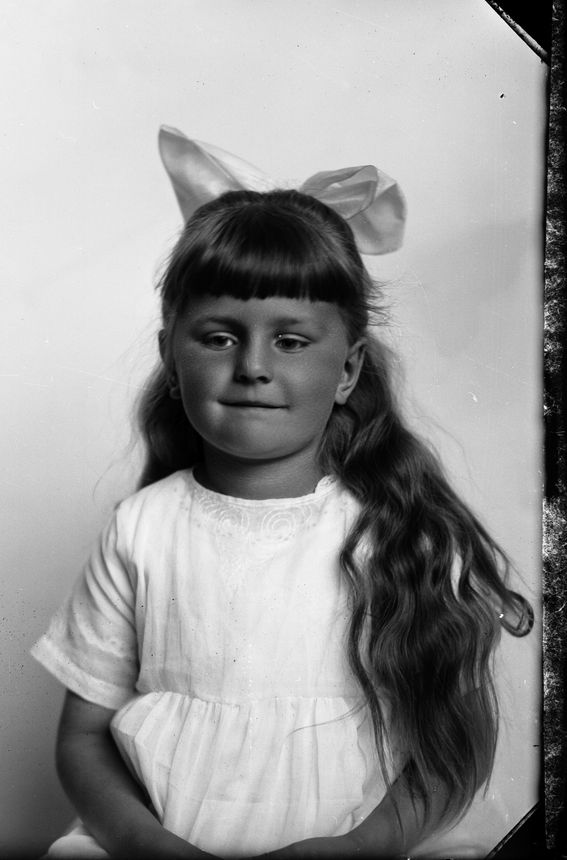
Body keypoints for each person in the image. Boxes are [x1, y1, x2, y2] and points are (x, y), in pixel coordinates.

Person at [31, 127, 534, 859]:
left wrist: (358, 849)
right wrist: (146, 845)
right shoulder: (141, 528)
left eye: (291, 341)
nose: (253, 367)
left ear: (348, 370)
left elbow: (456, 743)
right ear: (172, 356)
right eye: (219, 337)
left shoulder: (401, 531)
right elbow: (83, 738)